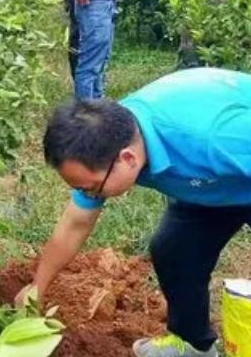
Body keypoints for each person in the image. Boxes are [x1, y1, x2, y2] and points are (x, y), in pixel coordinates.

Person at [15, 67, 251, 357]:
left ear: (127, 159)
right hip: (209, 183)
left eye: (92, 188)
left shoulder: (216, 136)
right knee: (174, 251)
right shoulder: (105, 142)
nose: (89, 195)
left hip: (234, 162)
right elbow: (75, 223)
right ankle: (194, 346)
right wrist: (37, 288)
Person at [56, 0, 118, 99]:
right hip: (93, 0)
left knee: (100, 63)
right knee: (90, 65)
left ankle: (96, 110)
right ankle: (84, 115)